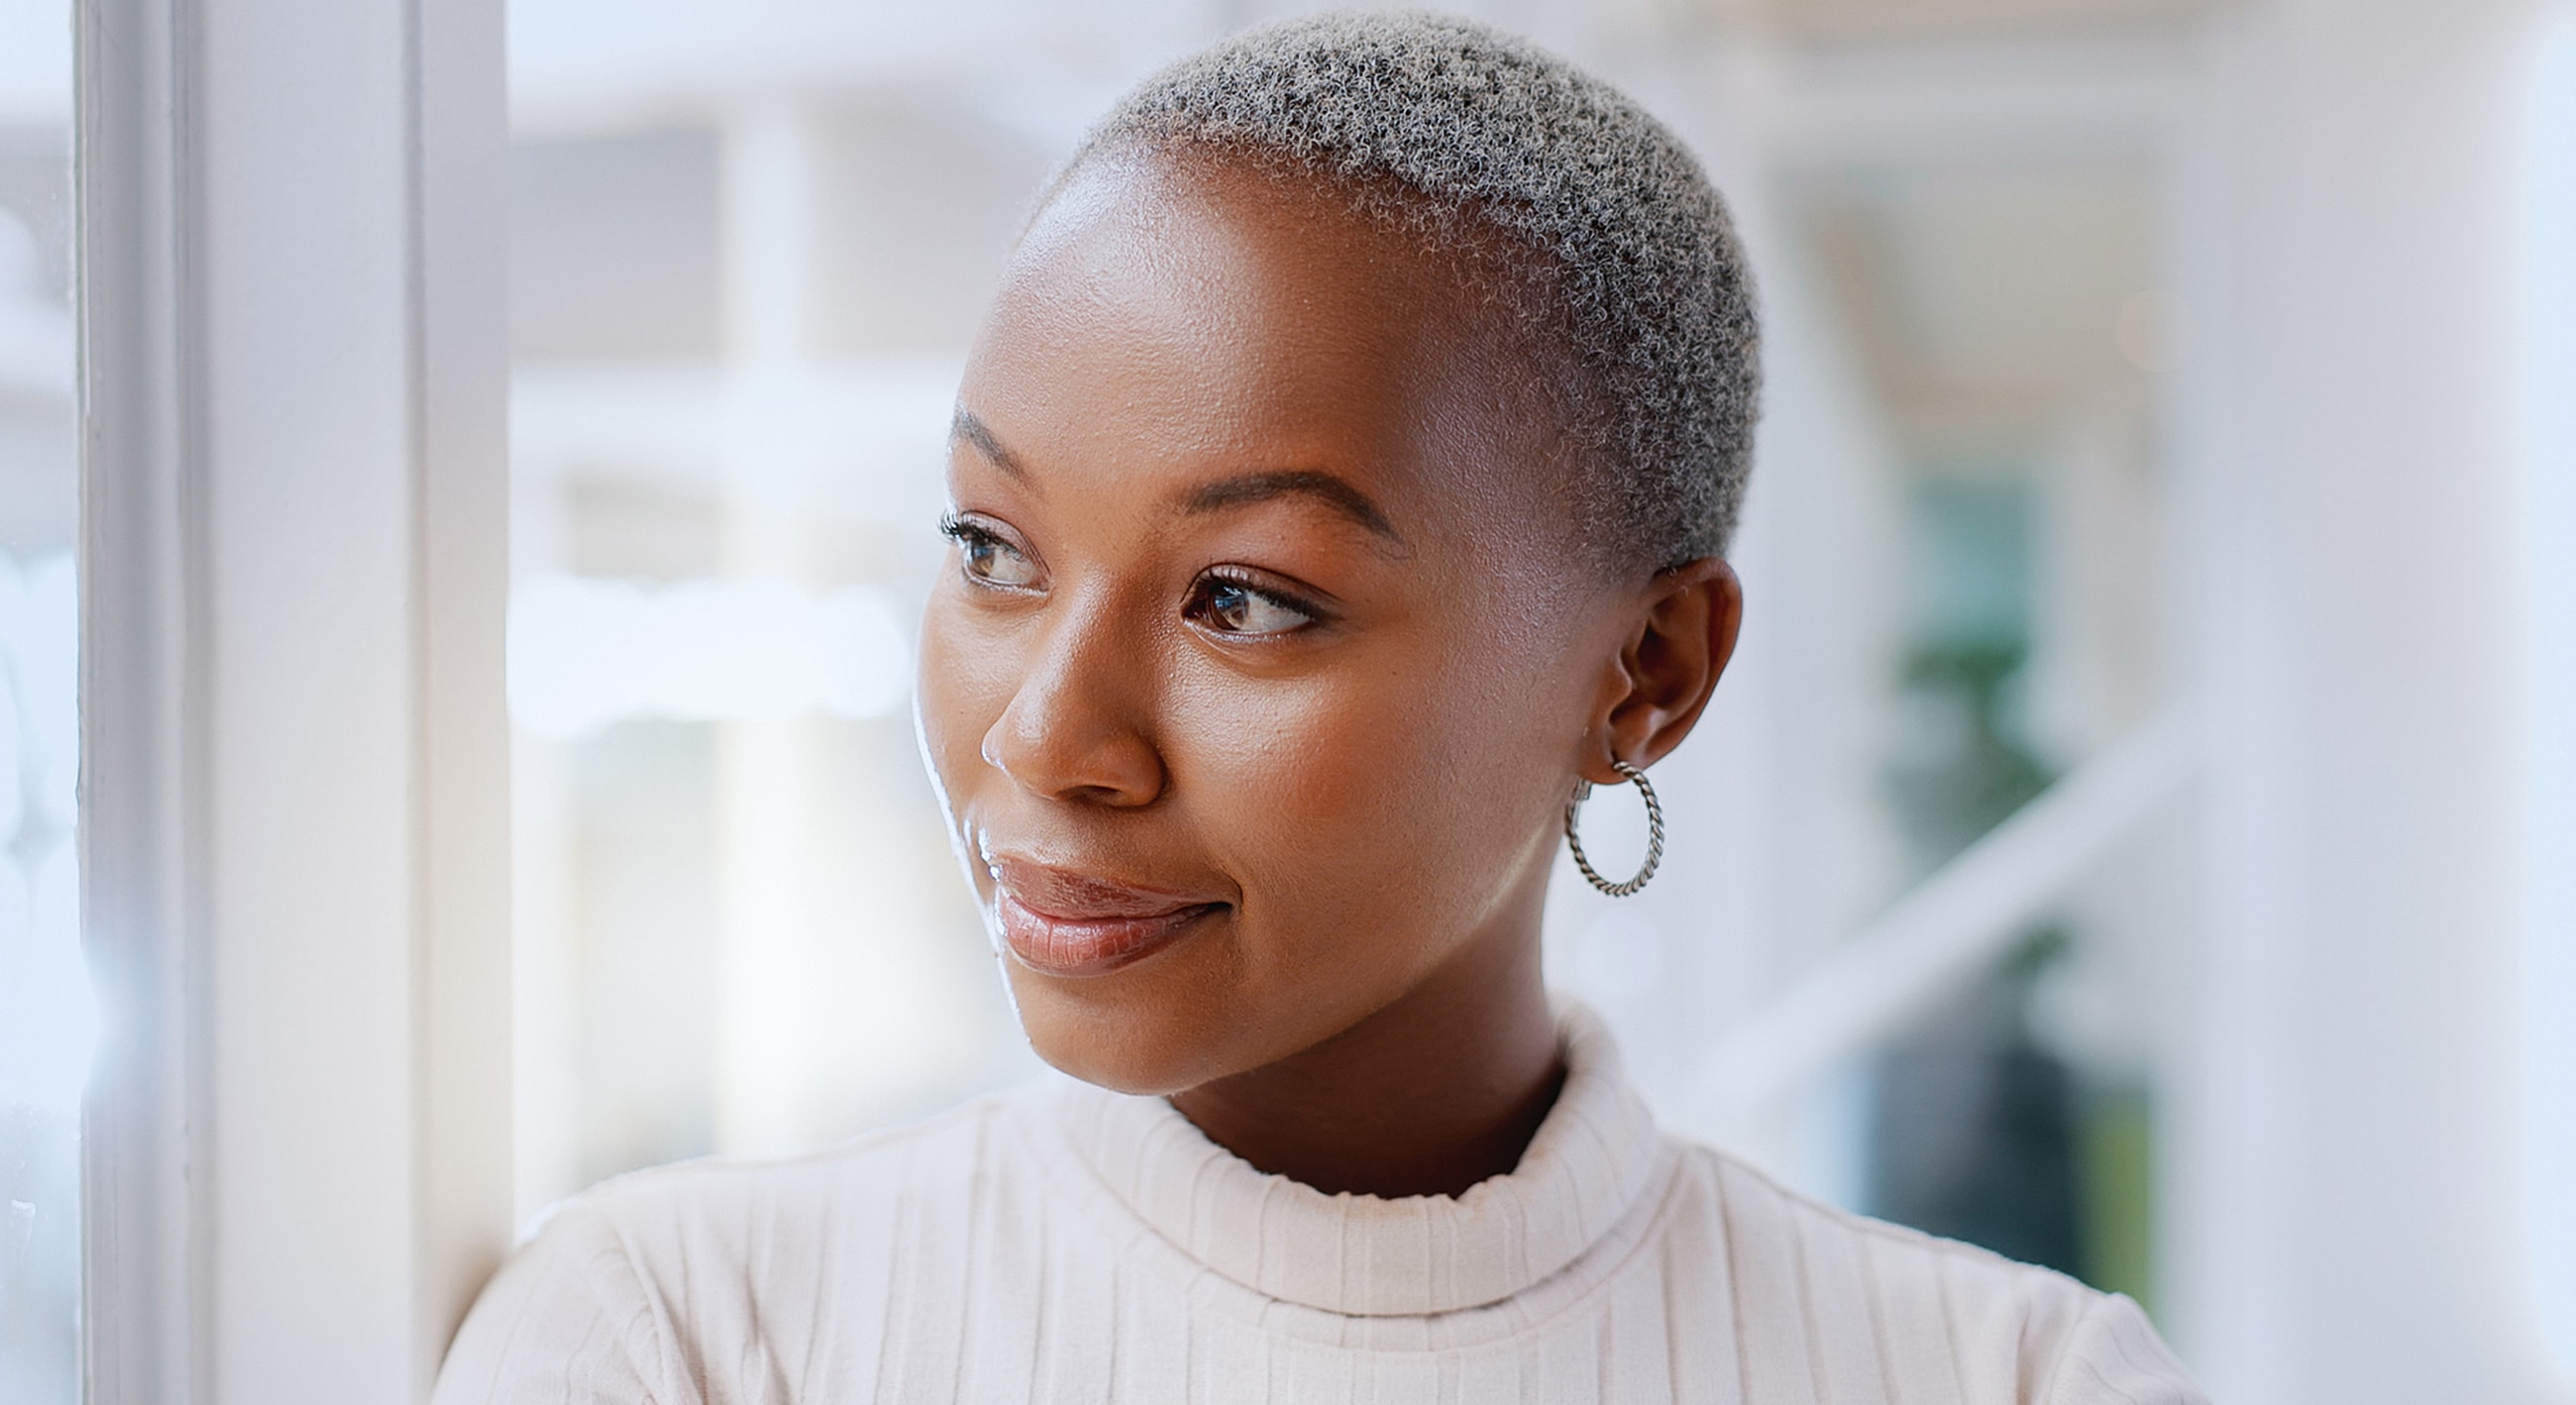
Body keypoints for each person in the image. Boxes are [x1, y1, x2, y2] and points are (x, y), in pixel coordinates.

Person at [435, 11, 2206, 1402]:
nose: (1044, 736)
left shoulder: (2011, 1382)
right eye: (992, 547)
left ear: (1646, 672)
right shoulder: (679, 1343)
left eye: (1244, 598)